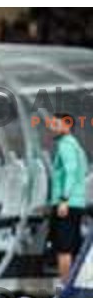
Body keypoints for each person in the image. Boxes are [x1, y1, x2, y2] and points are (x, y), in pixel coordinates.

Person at [48, 113, 88, 286]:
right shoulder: (77, 146)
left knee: (63, 249)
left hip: (66, 204)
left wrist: (64, 199)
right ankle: (71, 288)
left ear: (67, 126)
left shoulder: (66, 145)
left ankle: (65, 292)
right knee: (72, 248)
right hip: (76, 203)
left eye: (56, 125)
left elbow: (71, 173)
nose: (53, 128)